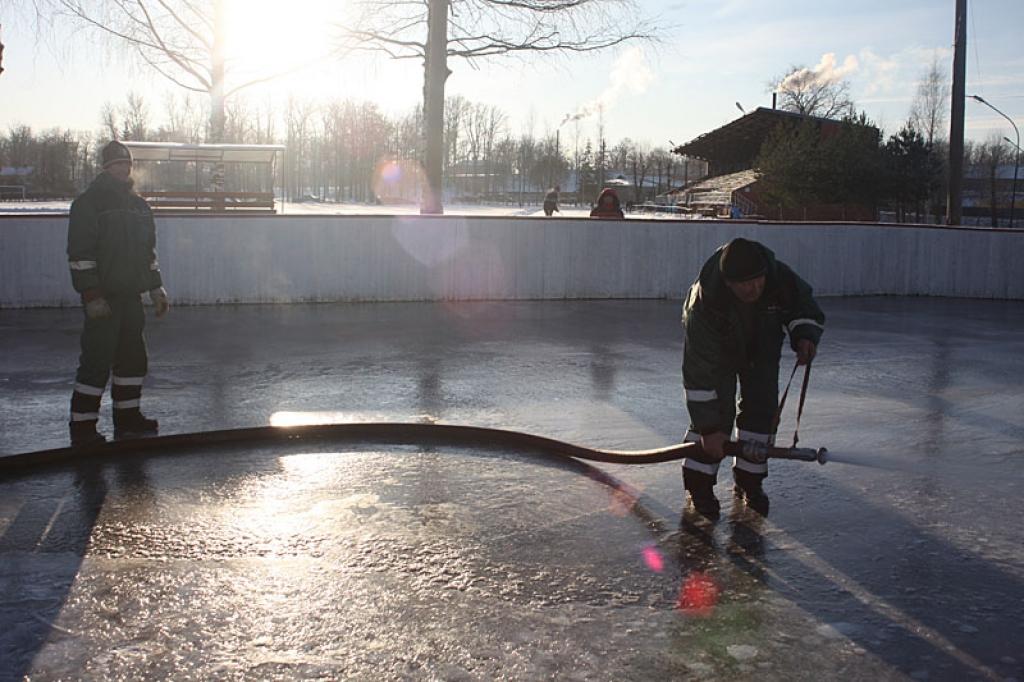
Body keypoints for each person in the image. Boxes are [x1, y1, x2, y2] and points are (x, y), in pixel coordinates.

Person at [680, 238, 824, 517]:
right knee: (715, 411)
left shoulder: (778, 277)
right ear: (728, 282)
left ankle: (750, 482)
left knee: (761, 410)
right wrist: (709, 429)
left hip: (762, 347)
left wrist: (805, 334)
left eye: (757, 280)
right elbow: (699, 377)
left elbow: (803, 305)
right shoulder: (705, 305)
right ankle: (699, 487)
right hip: (718, 353)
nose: (753, 288)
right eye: (744, 283)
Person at [66, 140, 169, 446]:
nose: (123, 169)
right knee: (97, 359)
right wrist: (91, 294)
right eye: (116, 164)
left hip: (130, 298)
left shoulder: (139, 206)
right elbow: (80, 254)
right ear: (105, 168)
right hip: (104, 298)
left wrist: (156, 287)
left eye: (126, 164)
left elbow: (147, 253)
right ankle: (83, 425)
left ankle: (128, 417)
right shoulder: (89, 204)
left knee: (133, 358)